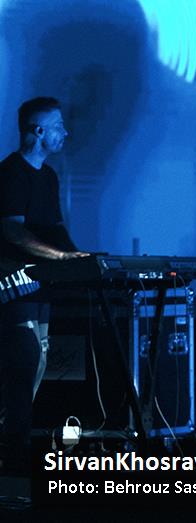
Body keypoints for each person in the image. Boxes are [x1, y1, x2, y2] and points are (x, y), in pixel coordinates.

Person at [0, 97, 87, 472]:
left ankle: (13, 440)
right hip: (12, 282)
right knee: (24, 358)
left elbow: (54, 229)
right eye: (58, 126)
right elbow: (12, 230)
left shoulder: (48, 176)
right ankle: (14, 451)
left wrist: (82, 259)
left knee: (39, 360)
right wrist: (62, 257)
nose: (65, 133)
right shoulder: (11, 173)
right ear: (38, 131)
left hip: (40, 284)